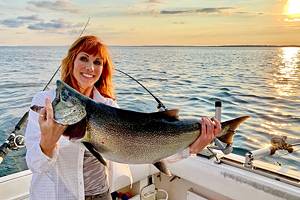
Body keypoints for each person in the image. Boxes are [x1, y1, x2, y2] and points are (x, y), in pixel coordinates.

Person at [25, 35, 221, 200]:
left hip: (100, 194)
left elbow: (146, 148)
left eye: (97, 62)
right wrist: (47, 144)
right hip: (58, 195)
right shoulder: (46, 103)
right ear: (72, 61)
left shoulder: (109, 107)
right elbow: (35, 165)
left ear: (103, 69)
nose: (90, 67)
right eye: (84, 58)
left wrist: (193, 149)